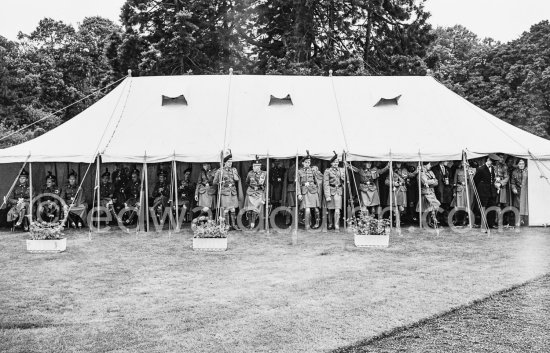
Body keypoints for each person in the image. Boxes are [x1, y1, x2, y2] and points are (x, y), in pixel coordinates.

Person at [214, 152, 243, 230]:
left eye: (231, 162)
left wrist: (234, 173)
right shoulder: (220, 171)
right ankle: (227, 225)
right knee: (226, 209)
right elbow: (214, 182)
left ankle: (234, 225)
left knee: (233, 209)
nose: (230, 163)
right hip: (225, 192)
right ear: (225, 163)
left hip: (232, 191)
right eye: (228, 162)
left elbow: (237, 179)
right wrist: (220, 182)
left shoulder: (234, 170)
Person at [473, 154, 500, 229]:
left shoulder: (492, 168)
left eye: (493, 162)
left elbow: (492, 179)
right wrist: (479, 190)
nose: (492, 163)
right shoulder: (481, 169)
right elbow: (475, 181)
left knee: (492, 207)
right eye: (491, 162)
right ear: (488, 160)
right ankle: (482, 223)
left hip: (491, 191)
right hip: (483, 192)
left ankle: (491, 223)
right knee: (482, 207)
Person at [297, 152, 321, 230]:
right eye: (306, 162)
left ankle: (317, 224)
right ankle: (308, 225)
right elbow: (297, 183)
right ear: (303, 163)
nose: (308, 164)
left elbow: (319, 178)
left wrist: (317, 188)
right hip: (305, 191)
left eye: (309, 162)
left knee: (316, 209)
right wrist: (299, 194)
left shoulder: (313, 170)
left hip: (313, 190)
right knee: (307, 209)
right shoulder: (299, 171)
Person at [243, 156, 267, 229]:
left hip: (259, 193)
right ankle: (250, 224)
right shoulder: (250, 173)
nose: (253, 167)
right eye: (253, 166)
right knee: (249, 210)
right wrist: (252, 187)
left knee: (254, 209)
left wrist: (264, 197)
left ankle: (253, 223)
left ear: (259, 166)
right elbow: (247, 182)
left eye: (255, 166)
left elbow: (266, 186)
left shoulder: (264, 174)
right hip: (251, 192)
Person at [416, 161, 441, 227]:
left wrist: (431, 182)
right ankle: (426, 222)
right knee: (426, 208)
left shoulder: (430, 172)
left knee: (434, 207)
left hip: (431, 192)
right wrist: (432, 181)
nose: (430, 166)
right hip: (425, 192)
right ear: (424, 166)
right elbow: (425, 182)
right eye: (429, 165)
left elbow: (436, 182)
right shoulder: (421, 173)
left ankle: (430, 222)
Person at [324, 152, 344, 230]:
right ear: (331, 163)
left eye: (337, 162)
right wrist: (327, 195)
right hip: (331, 191)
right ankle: (330, 223)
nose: (336, 163)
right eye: (334, 162)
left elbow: (343, 180)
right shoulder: (327, 171)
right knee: (330, 209)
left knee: (337, 209)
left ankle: (336, 224)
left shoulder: (341, 170)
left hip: (338, 190)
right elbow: (326, 184)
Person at [451, 161, 475, 226]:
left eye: (466, 163)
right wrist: (454, 192)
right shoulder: (457, 170)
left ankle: (465, 220)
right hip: (459, 189)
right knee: (459, 205)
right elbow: (455, 182)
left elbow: (471, 181)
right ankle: (458, 220)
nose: (464, 164)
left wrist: (468, 170)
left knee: (466, 205)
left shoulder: (470, 171)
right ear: (461, 164)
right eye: (463, 163)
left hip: (467, 190)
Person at [495, 154, 511, 227]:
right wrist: (495, 183)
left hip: (502, 187)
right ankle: (495, 220)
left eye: (502, 158)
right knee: (495, 203)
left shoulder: (505, 167)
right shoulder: (494, 166)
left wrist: (501, 184)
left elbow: (507, 177)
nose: (501, 159)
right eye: (499, 158)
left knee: (502, 203)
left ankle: (501, 220)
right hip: (494, 186)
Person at [511, 159, 528, 226]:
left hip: (526, 191)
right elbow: (512, 182)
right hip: (518, 191)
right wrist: (514, 188)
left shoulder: (527, 171)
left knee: (525, 206)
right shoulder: (514, 172)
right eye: (520, 164)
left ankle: (525, 220)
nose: (521, 165)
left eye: (523, 164)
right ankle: (519, 220)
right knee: (518, 206)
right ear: (518, 164)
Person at [282, 160, 297, 226]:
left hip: (294, 189)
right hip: (291, 188)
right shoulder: (290, 170)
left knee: (293, 205)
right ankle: (288, 219)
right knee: (291, 205)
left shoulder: (292, 169)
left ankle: (292, 219)